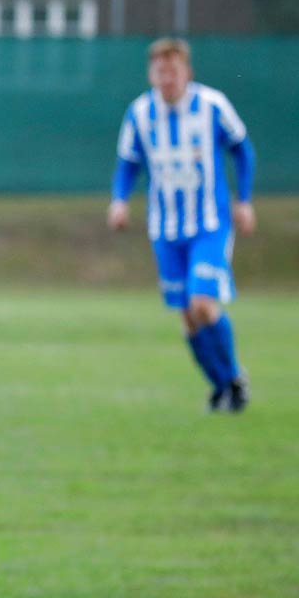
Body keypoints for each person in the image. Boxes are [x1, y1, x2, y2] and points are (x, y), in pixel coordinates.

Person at [110, 37, 257, 411]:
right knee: (188, 318)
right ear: (151, 74)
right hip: (165, 229)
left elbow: (242, 149)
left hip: (209, 224)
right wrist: (119, 201)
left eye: (173, 71)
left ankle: (234, 378)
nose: (167, 78)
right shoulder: (140, 113)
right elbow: (129, 162)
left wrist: (244, 200)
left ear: (187, 72)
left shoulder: (212, 106)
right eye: (160, 71)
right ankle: (223, 386)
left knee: (203, 303)